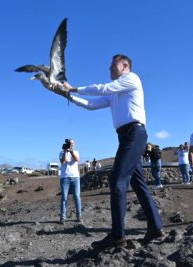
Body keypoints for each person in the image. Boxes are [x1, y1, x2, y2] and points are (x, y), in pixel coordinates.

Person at [60, 54, 164, 249]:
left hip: (134, 133)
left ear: (125, 66)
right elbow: (92, 105)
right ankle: (155, 227)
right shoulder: (116, 92)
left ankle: (117, 235)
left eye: (112, 65)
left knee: (117, 181)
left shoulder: (132, 78)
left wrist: (73, 87)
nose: (109, 68)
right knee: (138, 183)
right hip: (126, 136)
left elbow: (103, 88)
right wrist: (70, 97)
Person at [59, 138, 82, 224]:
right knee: (64, 197)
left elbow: (77, 159)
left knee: (76, 196)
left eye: (72, 143)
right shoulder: (61, 152)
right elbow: (63, 162)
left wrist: (71, 152)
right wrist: (65, 151)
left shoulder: (76, 152)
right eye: (69, 143)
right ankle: (62, 217)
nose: (70, 145)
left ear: (74, 144)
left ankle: (79, 215)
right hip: (65, 177)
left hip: (75, 177)